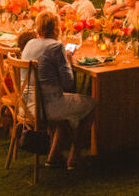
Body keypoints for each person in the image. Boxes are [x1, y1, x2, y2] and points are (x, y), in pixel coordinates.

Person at [22, 11, 96, 169]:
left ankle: (54, 155)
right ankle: (75, 156)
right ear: (56, 29)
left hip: (28, 105)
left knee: (65, 108)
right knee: (92, 104)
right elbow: (68, 83)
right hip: (48, 106)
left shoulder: (30, 44)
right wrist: (68, 61)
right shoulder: (56, 46)